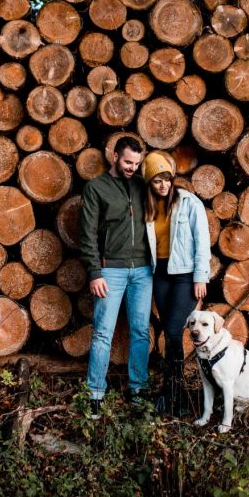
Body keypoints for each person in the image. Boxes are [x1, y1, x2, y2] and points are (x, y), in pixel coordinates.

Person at [79, 135, 152, 416]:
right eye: (128, 162)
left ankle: (138, 389)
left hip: (143, 271)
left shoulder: (142, 185)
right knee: (103, 334)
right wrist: (95, 272)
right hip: (111, 271)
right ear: (115, 157)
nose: (132, 167)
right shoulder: (96, 188)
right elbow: (87, 235)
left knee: (140, 332)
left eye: (136, 163)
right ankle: (95, 392)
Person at [142, 151, 210, 417]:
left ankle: (173, 390)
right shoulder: (147, 206)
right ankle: (173, 391)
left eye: (166, 179)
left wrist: (200, 276)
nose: (163, 185)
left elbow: (202, 240)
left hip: (184, 275)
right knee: (169, 332)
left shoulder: (189, 202)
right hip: (160, 274)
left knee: (172, 329)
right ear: (149, 183)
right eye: (157, 181)